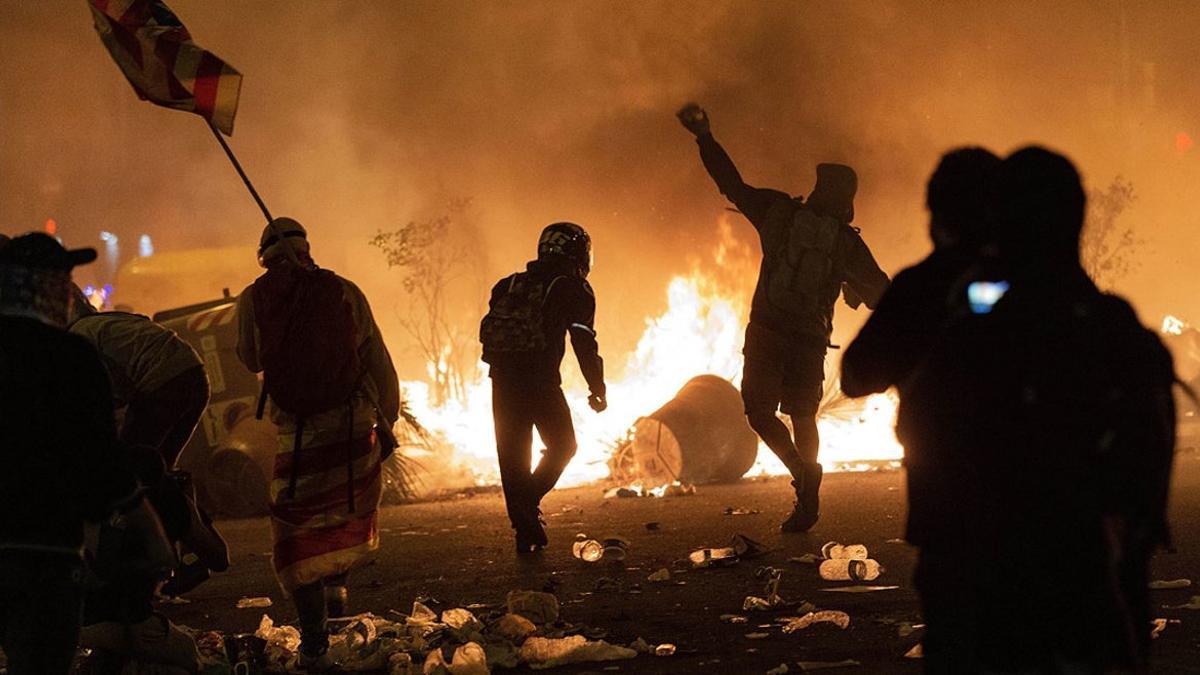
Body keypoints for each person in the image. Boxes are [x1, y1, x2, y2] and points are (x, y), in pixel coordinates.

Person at [897, 147, 1176, 672]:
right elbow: (1149, 461)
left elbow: (922, 427)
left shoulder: (977, 327)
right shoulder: (1110, 325)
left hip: (991, 574)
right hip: (1080, 569)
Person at [677, 103, 889, 532]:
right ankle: (808, 489)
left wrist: (704, 136)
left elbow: (730, 184)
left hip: (768, 332)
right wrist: (851, 288)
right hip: (809, 340)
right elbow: (883, 294)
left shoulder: (780, 213)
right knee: (804, 416)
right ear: (848, 200)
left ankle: (799, 471)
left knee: (759, 413)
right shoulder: (848, 245)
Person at [0, 232, 174, 674]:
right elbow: (100, 463)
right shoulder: (68, 356)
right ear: (39, 287)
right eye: (60, 281)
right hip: (44, 550)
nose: (68, 293)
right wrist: (149, 529)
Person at [236, 217, 400, 670]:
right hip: (352, 425)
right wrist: (389, 416)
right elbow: (375, 355)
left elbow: (250, 358)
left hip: (298, 434)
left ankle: (314, 646)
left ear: (263, 255)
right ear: (307, 247)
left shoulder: (253, 298)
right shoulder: (344, 289)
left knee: (298, 529)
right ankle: (337, 587)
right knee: (347, 509)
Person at [481, 222, 606, 554]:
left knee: (512, 457)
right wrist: (597, 386)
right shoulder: (573, 288)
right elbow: (583, 340)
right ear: (579, 253)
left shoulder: (507, 285)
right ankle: (527, 507)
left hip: (502, 381)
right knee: (564, 445)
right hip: (540, 381)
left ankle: (524, 527)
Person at [841, 147, 1000, 399]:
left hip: (943, 438)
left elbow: (856, 377)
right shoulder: (1048, 285)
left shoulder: (921, 287)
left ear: (937, 216)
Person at [68, 293, 210, 468]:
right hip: (195, 375)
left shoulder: (80, 337)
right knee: (161, 465)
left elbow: (111, 390)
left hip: (163, 383)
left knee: (130, 466)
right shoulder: (106, 321)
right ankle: (173, 492)